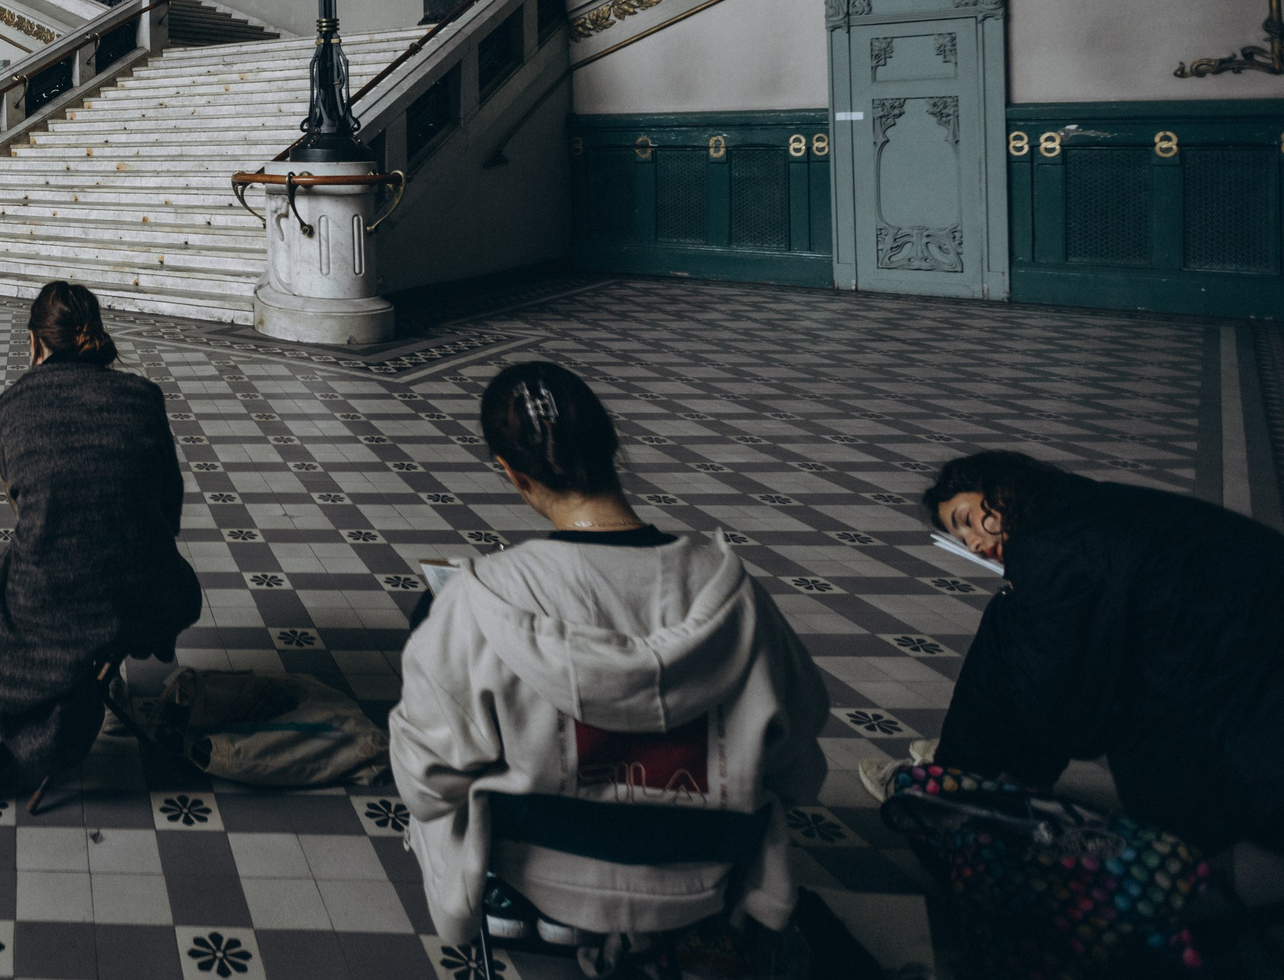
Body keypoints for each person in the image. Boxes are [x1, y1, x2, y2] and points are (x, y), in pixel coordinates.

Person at [388, 361, 828, 953]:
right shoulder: (735, 595)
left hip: (534, 867)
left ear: (512, 474)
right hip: (705, 874)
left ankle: (524, 907)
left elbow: (427, 785)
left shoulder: (479, 599)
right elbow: (799, 765)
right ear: (613, 446)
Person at [924, 450, 1284, 854]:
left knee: (1011, 629)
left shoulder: (1048, 548)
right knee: (1014, 621)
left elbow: (1061, 704)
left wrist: (1028, 758)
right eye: (962, 540)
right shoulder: (1077, 506)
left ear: (997, 492)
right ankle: (960, 776)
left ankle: (951, 783)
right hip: (1241, 635)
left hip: (1244, 687)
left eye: (968, 520)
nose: (974, 542)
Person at [0, 281, 202, 808]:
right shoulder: (143, 396)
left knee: (0, 590)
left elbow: (30, 513)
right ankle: (85, 682)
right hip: (148, 589)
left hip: (54, 601)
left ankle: (8, 742)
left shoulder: (6, 410)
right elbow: (169, 508)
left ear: (34, 343)